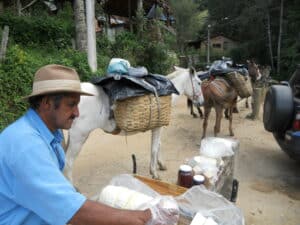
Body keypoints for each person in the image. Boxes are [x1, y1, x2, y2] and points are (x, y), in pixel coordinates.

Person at [0, 64, 178, 225]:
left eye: (78, 105)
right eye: (71, 105)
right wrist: (143, 216)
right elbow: (72, 211)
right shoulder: (27, 146)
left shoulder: (48, 134)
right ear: (47, 103)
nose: (77, 113)